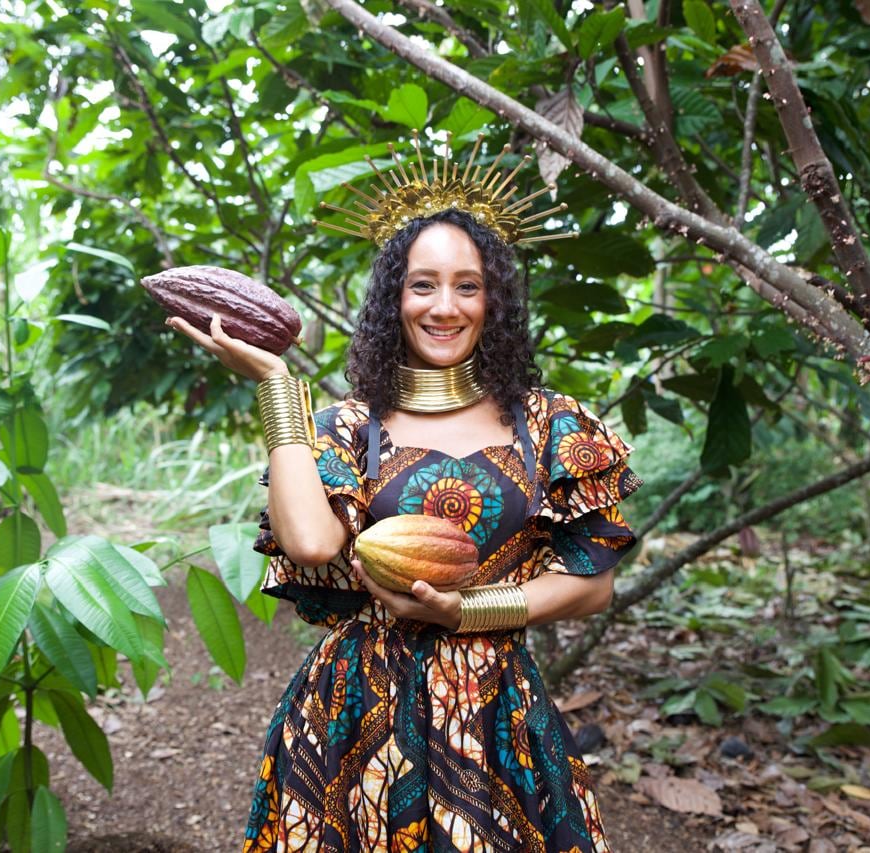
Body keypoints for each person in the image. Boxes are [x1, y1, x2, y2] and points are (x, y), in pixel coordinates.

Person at [168, 136, 642, 852]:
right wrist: (277, 388)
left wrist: (468, 610)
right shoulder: (347, 428)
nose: (444, 307)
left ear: (494, 300)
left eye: (467, 286)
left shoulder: (550, 425)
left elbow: (593, 584)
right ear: (395, 298)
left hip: (495, 711)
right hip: (354, 709)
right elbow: (310, 543)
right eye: (423, 285)